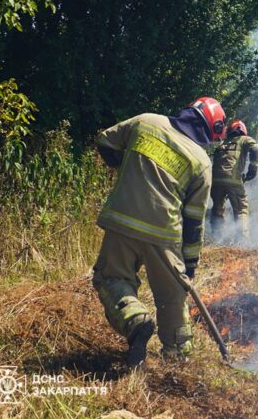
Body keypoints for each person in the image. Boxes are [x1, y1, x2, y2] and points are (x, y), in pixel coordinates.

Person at [92, 97, 226, 367]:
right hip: (164, 234)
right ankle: (178, 358)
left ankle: (135, 321)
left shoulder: (146, 121)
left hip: (123, 220)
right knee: (172, 297)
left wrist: (130, 168)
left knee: (112, 278)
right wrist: (189, 265)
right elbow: (194, 220)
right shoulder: (201, 161)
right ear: (209, 130)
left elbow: (105, 141)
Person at [210, 120, 258, 241]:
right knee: (241, 209)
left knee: (217, 209)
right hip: (233, 180)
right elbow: (255, 147)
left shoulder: (222, 144)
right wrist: (253, 168)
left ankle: (216, 239)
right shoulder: (244, 139)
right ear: (242, 130)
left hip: (215, 181)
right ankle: (242, 242)